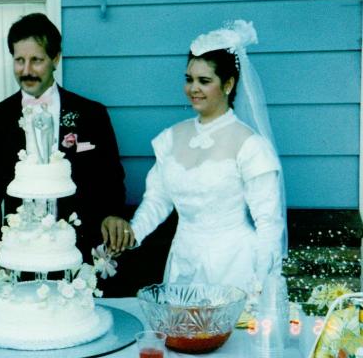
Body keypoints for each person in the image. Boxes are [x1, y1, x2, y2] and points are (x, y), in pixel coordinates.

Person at [101, 20, 286, 293]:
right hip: (183, 261)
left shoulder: (250, 145)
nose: (193, 88)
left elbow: (269, 223)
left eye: (204, 81)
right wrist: (132, 234)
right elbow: (158, 200)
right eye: (189, 79)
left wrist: (261, 283)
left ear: (228, 84)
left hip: (235, 265)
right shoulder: (171, 138)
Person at [0, 13, 126, 279]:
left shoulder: (91, 114)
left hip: (79, 255)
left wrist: (113, 215)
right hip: (19, 255)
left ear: (55, 59)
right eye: (19, 60)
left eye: (36, 60)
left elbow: (111, 177)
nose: (26, 70)